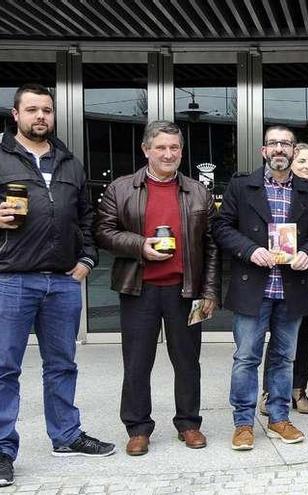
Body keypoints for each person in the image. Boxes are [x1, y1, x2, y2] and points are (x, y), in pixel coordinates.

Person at [0, 83, 115, 487]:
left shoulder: (70, 163)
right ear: (16, 114)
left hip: (64, 281)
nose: (40, 117)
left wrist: (86, 260)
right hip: (11, 278)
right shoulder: (1, 158)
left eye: (46, 110)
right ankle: (1, 449)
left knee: (62, 365)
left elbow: (87, 217)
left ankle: (65, 436)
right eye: (32, 110)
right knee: (4, 367)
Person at [94, 120, 220, 456]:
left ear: (181, 151)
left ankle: (189, 424)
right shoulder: (121, 189)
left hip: (185, 290)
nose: (168, 154)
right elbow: (102, 232)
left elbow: (210, 246)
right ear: (146, 150)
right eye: (161, 147)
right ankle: (137, 428)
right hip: (139, 289)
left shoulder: (198, 191)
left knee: (188, 361)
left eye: (174, 147)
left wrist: (209, 291)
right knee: (137, 362)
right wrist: (139, 245)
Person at [212, 126, 308, 450]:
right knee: (246, 358)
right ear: (264, 151)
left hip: (291, 288)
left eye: (285, 144)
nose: (279, 149)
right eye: (273, 143)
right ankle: (244, 423)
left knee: (283, 358)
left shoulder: (305, 189)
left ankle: (278, 418)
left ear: (292, 151)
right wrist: (250, 250)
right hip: (254, 287)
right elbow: (221, 227)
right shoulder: (241, 186)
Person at [258, 143, 308, 416]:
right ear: (291, 161)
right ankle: (270, 393)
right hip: (279, 276)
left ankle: (298, 389)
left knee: (304, 336)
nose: (307, 166)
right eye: (302, 161)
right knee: (279, 336)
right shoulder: (277, 192)